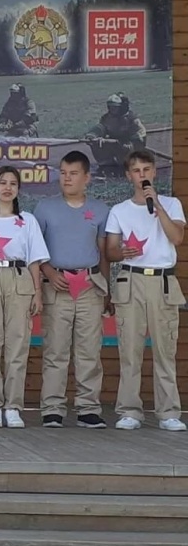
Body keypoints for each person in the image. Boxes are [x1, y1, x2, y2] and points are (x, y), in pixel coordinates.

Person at [105, 150, 186, 432]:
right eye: (136, 171)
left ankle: (168, 412)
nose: (142, 175)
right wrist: (120, 251)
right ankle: (129, 410)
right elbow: (111, 250)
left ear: (154, 173)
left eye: (146, 170)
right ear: (129, 176)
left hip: (162, 282)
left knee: (165, 350)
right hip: (131, 281)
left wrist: (157, 207)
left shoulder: (172, 204)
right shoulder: (119, 210)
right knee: (130, 350)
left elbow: (177, 237)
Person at [34, 151, 111, 429]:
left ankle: (88, 408)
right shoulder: (45, 208)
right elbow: (35, 250)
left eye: (73, 173)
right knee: (56, 350)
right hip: (57, 286)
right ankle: (52, 408)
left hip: (90, 286)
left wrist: (107, 291)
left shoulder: (101, 210)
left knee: (89, 350)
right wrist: (49, 272)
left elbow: (103, 253)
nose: (67, 178)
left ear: (87, 178)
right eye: (63, 173)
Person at [0, 166, 48, 428]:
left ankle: (13, 406)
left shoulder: (27, 220)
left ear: (18, 189)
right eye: (2, 183)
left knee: (17, 345)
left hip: (19, 279)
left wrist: (37, 292)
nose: (7, 188)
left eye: (13, 184)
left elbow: (35, 260)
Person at [85, 93, 147, 168]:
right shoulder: (107, 118)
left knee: (125, 163)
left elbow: (140, 140)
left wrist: (129, 145)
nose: (112, 110)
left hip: (128, 146)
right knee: (95, 143)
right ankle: (106, 164)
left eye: (115, 107)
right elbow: (100, 128)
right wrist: (91, 136)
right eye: (110, 107)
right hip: (114, 143)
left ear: (122, 107)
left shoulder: (132, 120)